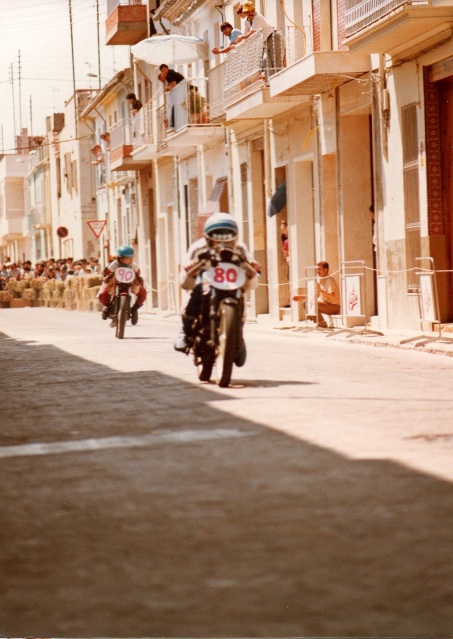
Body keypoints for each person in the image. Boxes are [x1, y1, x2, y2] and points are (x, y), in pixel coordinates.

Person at [174, 212, 259, 365]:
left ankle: (237, 335)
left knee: (241, 298)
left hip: (232, 286)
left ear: (235, 237)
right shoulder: (197, 248)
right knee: (196, 293)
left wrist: (252, 269)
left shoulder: (241, 249)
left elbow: (252, 280)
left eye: (227, 238)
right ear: (208, 238)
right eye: (217, 240)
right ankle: (185, 331)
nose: (222, 245)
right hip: (206, 283)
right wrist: (189, 270)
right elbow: (183, 279)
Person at [98, 244, 146, 326]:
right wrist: (107, 277)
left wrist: (139, 281)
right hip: (114, 283)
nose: (125, 261)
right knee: (102, 294)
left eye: (128, 258)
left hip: (129, 283)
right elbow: (106, 275)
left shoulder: (135, 267)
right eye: (123, 258)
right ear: (118, 258)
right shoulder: (112, 265)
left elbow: (137, 276)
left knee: (143, 293)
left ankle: (134, 309)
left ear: (131, 259)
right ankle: (108, 306)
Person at [234, 1, 283, 78]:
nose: (250, 12)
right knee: (265, 61)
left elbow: (252, 32)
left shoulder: (257, 17)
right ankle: (271, 80)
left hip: (273, 37)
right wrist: (237, 44)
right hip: (265, 41)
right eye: (248, 11)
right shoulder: (247, 21)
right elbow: (245, 34)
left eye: (251, 10)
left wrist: (242, 37)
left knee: (276, 62)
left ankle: (279, 79)